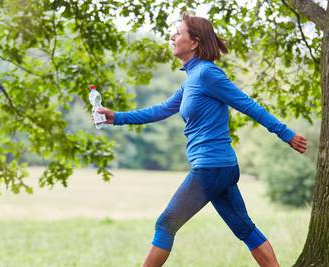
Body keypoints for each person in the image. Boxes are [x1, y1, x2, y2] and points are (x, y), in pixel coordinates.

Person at [96, 13, 307, 267]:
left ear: (194, 42)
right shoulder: (191, 80)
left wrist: (286, 134)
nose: (172, 37)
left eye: (178, 33)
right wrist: (116, 117)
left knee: (165, 224)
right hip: (220, 168)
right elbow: (161, 110)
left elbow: (248, 105)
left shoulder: (208, 74)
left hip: (211, 167)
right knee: (245, 229)